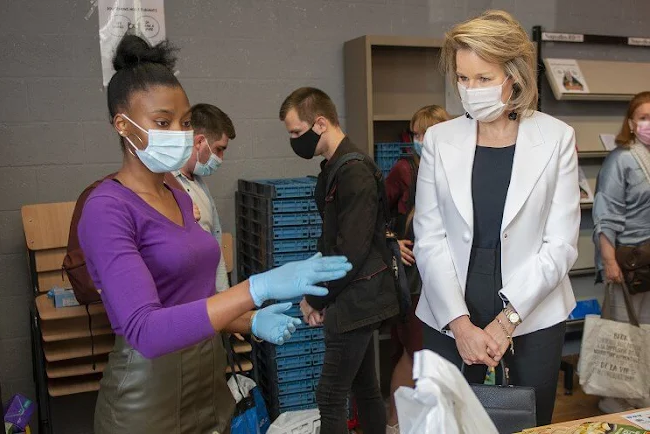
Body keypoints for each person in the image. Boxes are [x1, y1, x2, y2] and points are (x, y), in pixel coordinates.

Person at [78, 35, 352, 434]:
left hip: (209, 386)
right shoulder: (106, 209)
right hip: (146, 402)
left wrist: (249, 320)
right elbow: (147, 331)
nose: (179, 132)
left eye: (185, 122)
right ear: (123, 125)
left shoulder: (175, 191)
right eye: (162, 122)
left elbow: (194, 300)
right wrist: (255, 288)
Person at [413, 10, 580, 426]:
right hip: (447, 313)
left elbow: (559, 245)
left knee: (526, 423)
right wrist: (461, 325)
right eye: (462, 78)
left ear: (514, 76)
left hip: (533, 316)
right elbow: (429, 239)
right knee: (450, 423)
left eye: (483, 79)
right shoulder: (439, 139)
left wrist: (507, 322)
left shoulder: (556, 138)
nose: (470, 90)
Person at [280, 87, 399, 434]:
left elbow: (351, 251)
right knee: (363, 388)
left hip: (357, 299)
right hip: (349, 295)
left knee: (330, 395)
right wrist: (313, 290)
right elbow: (331, 239)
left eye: (296, 133)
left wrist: (316, 298)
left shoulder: (354, 171)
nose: (293, 141)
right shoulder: (334, 167)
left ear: (320, 123)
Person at [384, 104, 449, 434]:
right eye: (416, 133)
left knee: (435, 358)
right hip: (412, 283)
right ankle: (394, 423)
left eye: (427, 132)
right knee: (413, 354)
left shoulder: (452, 167)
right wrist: (392, 241)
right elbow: (373, 212)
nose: (420, 139)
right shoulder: (405, 169)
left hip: (443, 282)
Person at [592, 91, 650, 414]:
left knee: (646, 332)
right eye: (643, 118)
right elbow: (606, 213)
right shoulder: (621, 160)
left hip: (649, 260)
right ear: (631, 123)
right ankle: (616, 398)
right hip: (626, 261)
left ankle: (642, 394)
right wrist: (609, 260)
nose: (648, 124)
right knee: (623, 332)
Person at [172, 103, 235, 293]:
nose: (221, 158)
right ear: (199, 142)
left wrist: (223, 300)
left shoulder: (199, 184)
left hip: (208, 298)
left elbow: (215, 245)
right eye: (219, 149)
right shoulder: (163, 185)